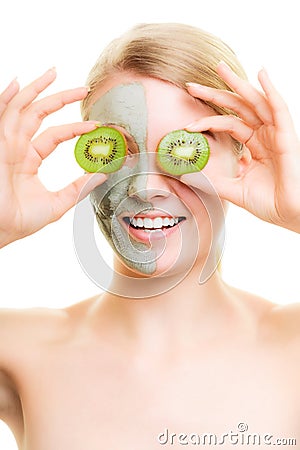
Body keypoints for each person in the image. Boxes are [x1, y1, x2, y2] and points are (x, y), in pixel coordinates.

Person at [0, 22, 300, 450]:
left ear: (245, 158)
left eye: (182, 147)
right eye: (116, 148)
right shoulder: (19, 351)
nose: (145, 187)